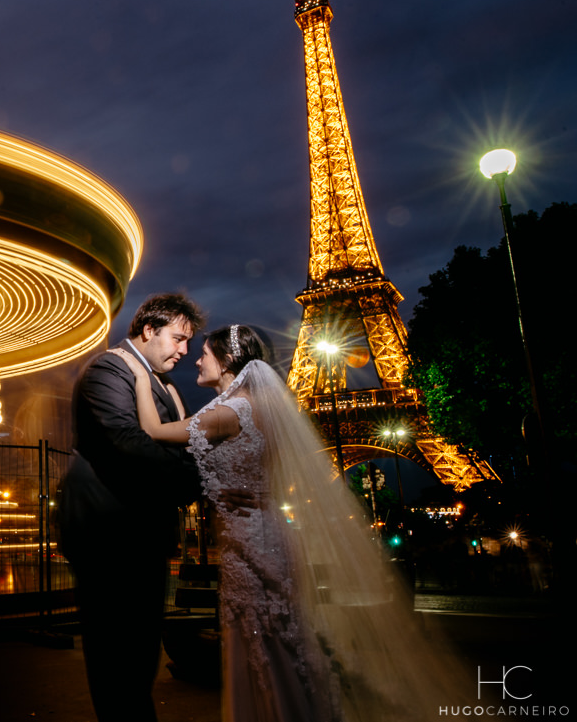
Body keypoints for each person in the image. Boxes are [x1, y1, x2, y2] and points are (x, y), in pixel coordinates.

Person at [112, 324, 469, 721]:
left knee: (257, 643)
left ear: (227, 361)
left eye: (206, 354)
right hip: (270, 534)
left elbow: (153, 431)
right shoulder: (258, 408)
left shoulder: (229, 412)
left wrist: (144, 378)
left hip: (247, 542)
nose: (196, 359)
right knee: (280, 638)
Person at [58, 293, 207, 722]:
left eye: (188, 343)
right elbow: (126, 443)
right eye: (178, 339)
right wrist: (194, 480)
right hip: (108, 530)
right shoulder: (110, 368)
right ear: (148, 330)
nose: (184, 351)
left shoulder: (161, 382)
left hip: (139, 529)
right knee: (117, 657)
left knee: (139, 654)